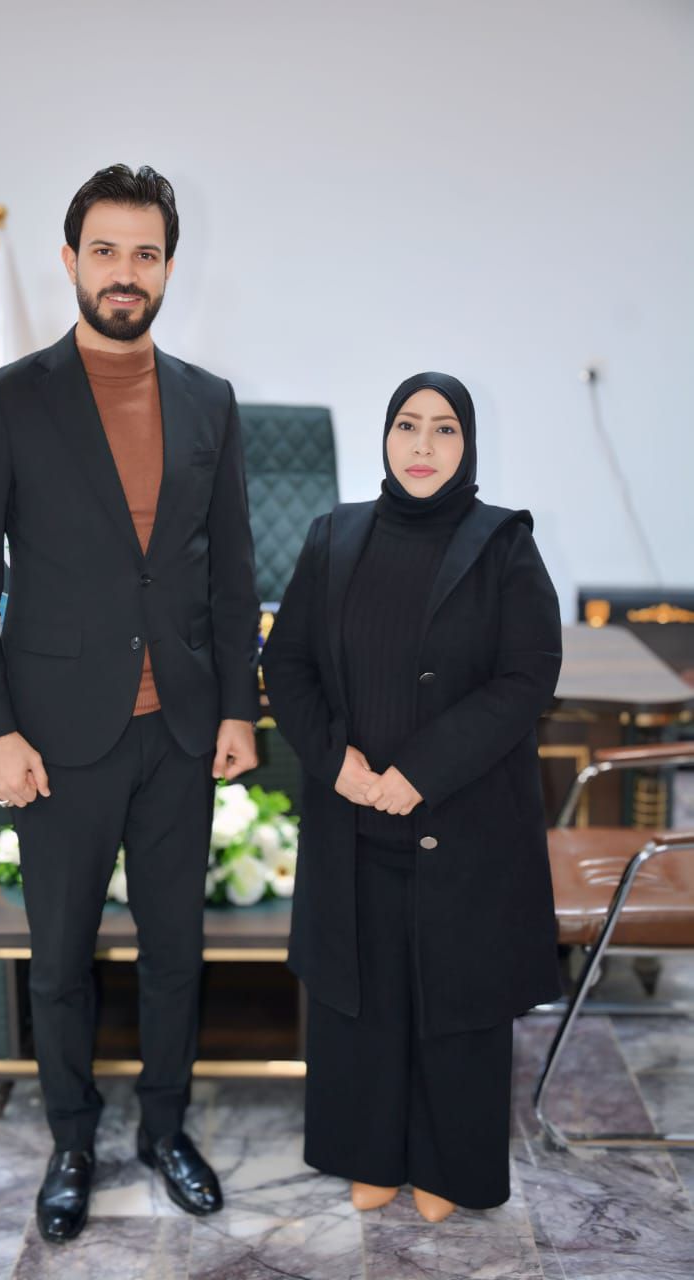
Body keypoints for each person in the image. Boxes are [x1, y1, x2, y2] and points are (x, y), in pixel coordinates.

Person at [0, 164, 259, 1243]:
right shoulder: (6, 400)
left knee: (175, 951)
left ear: (169, 267)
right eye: (108, 251)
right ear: (71, 260)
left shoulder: (210, 401)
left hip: (180, 731)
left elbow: (230, 577)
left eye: (147, 253)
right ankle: (71, 1140)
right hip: (55, 737)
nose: (127, 273)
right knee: (62, 957)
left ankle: (165, 1129)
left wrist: (237, 708)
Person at [261, 372, 562, 1221]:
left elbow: (526, 677)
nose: (422, 445)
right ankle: (369, 1156)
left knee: (455, 995)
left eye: (443, 429)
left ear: (467, 444)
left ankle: (446, 1166)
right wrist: (336, 764)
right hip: (352, 816)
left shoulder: (503, 544)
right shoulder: (333, 535)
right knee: (363, 992)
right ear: (386, 438)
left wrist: (419, 773)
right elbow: (286, 663)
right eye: (406, 425)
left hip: (463, 818)